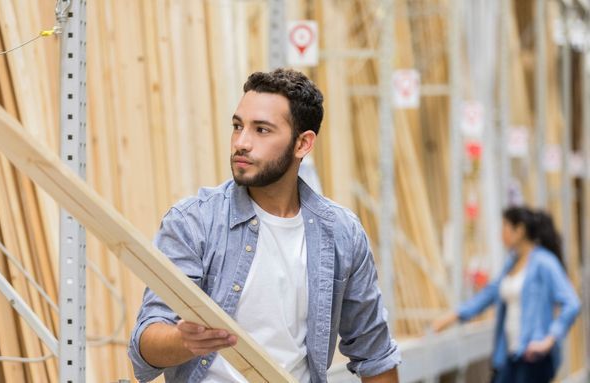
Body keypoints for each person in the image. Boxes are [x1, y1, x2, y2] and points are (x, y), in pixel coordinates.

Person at [128, 68, 400, 382]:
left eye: (262, 130)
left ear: (302, 144)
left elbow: (375, 354)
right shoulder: (194, 222)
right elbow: (144, 346)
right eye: (237, 126)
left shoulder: (341, 233)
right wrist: (185, 341)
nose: (241, 143)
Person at [432, 206, 580, 383]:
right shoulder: (511, 264)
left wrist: (548, 340)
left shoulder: (544, 262)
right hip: (509, 354)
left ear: (520, 230)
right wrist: (449, 318)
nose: (501, 234)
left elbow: (572, 303)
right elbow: (488, 295)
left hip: (532, 355)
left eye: (504, 227)